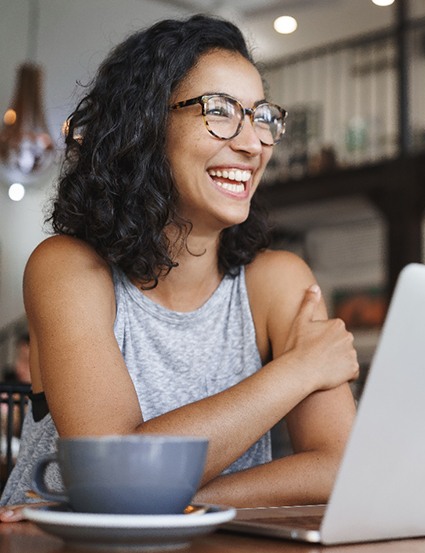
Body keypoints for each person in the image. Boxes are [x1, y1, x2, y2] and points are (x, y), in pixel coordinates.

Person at [0, 14, 358, 521]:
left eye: (260, 116)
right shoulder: (67, 268)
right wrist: (296, 372)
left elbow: (340, 467)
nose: (253, 144)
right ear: (145, 125)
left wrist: (178, 502)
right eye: (219, 110)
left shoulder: (277, 282)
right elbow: (116, 472)